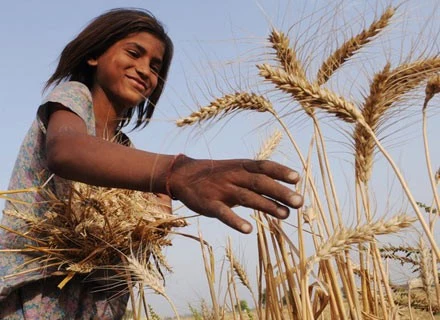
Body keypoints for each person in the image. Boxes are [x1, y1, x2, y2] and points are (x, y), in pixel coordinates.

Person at [0, 8, 303, 319]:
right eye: (134, 53)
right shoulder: (72, 101)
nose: (145, 70)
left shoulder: (126, 149)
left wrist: (154, 220)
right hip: (38, 293)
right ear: (93, 56)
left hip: (94, 303)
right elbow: (67, 151)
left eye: (155, 67)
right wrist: (176, 171)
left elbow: (126, 236)